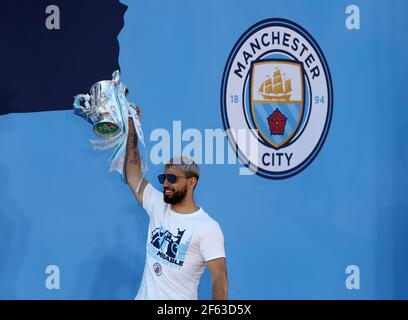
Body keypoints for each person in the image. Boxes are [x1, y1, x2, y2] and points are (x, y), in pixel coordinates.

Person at [125, 107, 228, 300]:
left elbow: (219, 279)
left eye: (172, 178)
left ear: (191, 182)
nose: (165, 183)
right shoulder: (157, 204)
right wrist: (132, 131)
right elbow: (132, 174)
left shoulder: (207, 228)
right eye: (163, 177)